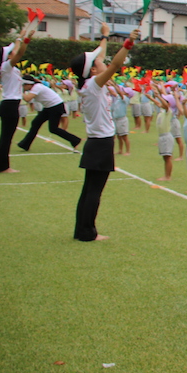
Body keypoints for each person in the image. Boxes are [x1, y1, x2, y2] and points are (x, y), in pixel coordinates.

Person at [69, 23, 140, 241]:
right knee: (94, 192)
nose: (102, 61)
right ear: (92, 70)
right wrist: (128, 43)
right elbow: (116, 64)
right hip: (101, 143)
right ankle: (87, 233)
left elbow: (102, 55)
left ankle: (82, 230)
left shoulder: (88, 83)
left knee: (89, 189)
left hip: (96, 143)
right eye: (98, 62)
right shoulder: (93, 84)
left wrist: (105, 36)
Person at [17, 76, 81, 151]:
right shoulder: (36, 87)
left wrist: (19, 91)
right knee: (36, 123)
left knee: (53, 129)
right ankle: (25, 144)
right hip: (50, 106)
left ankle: (75, 140)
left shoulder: (37, 87)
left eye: (24, 85)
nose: (23, 87)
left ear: (29, 84)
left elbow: (27, 99)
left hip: (55, 106)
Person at [0, 34, 30, 173]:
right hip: (10, 106)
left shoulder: (9, 67)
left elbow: (17, 50)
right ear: (8, 57)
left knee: (6, 137)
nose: (14, 53)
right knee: (6, 138)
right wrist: (27, 40)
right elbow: (20, 52)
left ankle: (2, 165)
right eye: (11, 53)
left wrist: (20, 37)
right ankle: (3, 167)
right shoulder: (6, 66)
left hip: (10, 105)